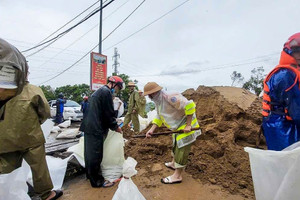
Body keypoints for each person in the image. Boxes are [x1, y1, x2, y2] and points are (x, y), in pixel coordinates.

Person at [0, 38, 63, 200]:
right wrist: (34, 124)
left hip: (5, 140)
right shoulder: (33, 90)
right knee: (38, 167)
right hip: (31, 137)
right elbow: (45, 113)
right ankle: (46, 194)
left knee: (5, 170)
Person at [144, 82, 201, 184]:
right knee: (175, 144)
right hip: (177, 125)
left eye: (149, 95)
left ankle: (177, 176)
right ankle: (174, 163)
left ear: (155, 93)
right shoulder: (158, 101)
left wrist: (188, 125)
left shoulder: (170, 97)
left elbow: (190, 106)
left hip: (186, 124)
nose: (149, 97)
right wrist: (152, 129)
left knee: (181, 148)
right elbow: (159, 116)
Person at [79, 76, 124, 188]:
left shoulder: (99, 91)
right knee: (96, 155)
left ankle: (90, 176)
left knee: (89, 154)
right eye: (118, 88)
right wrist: (115, 127)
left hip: (89, 126)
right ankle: (97, 181)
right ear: (114, 84)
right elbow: (107, 113)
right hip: (96, 127)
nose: (117, 90)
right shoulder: (106, 92)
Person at [262, 32, 300, 151]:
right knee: (288, 163)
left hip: (276, 124)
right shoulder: (285, 76)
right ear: (289, 52)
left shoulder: (290, 73)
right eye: (297, 51)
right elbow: (296, 110)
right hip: (282, 128)